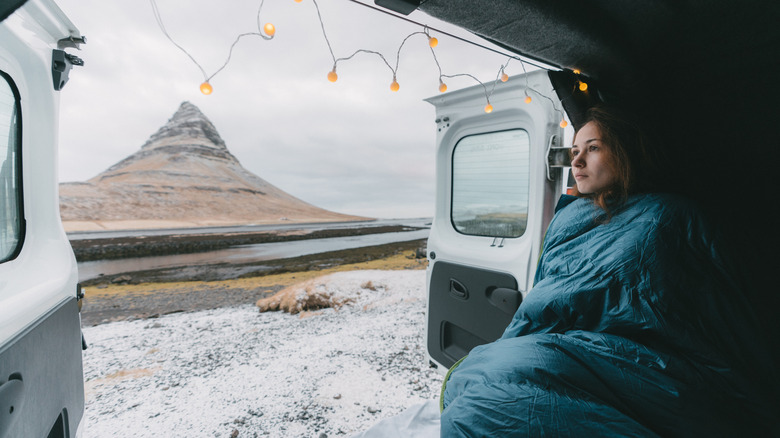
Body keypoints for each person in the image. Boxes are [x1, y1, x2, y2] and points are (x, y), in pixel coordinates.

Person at [439, 105, 778, 437]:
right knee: (472, 376)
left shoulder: (669, 216)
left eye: (593, 148)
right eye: (574, 151)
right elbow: (549, 293)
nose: (577, 160)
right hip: (569, 346)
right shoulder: (570, 217)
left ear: (625, 153)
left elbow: (692, 309)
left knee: (483, 407)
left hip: (644, 360)